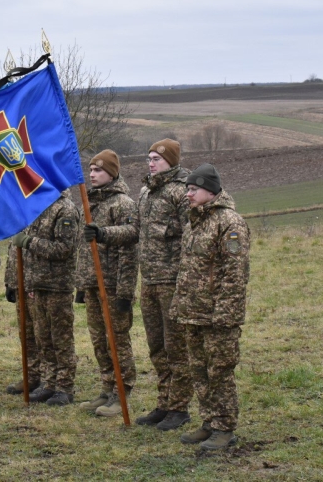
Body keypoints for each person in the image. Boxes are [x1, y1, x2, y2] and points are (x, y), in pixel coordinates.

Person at [175, 164, 250, 450]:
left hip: (218, 315)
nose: (188, 195)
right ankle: (209, 422)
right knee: (199, 370)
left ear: (210, 191)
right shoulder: (195, 221)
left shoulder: (229, 223)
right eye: (187, 189)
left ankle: (225, 428)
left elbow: (235, 273)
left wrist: (225, 315)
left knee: (219, 371)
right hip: (193, 312)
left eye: (193, 190)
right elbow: (188, 269)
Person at [74, 150, 140, 417]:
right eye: (90, 170)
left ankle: (121, 392)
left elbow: (129, 246)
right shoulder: (88, 204)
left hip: (112, 284)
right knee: (98, 339)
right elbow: (83, 249)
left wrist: (125, 291)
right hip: (92, 284)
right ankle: (106, 386)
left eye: (98, 171)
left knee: (117, 340)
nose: (92, 175)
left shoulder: (122, 204)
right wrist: (82, 284)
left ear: (112, 173)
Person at [135, 139, 194, 431]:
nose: (151, 162)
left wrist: (185, 282)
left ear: (171, 160)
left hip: (172, 282)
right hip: (149, 281)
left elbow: (191, 239)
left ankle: (180, 407)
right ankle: (164, 402)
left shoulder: (182, 193)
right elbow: (136, 231)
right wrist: (104, 233)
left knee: (176, 347)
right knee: (156, 347)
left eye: (157, 158)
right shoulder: (146, 192)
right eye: (149, 157)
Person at [12, 191, 81, 406]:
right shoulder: (37, 207)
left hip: (57, 285)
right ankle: (49, 383)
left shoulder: (65, 209)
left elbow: (64, 249)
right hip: (38, 284)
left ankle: (64, 386)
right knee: (43, 338)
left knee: (60, 338)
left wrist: (30, 242)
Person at [4, 242, 42, 395]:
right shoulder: (18, 222)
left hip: (37, 285)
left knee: (41, 334)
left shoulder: (35, 219)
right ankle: (31, 376)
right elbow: (12, 253)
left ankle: (48, 378)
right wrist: (9, 282)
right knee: (26, 335)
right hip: (20, 284)